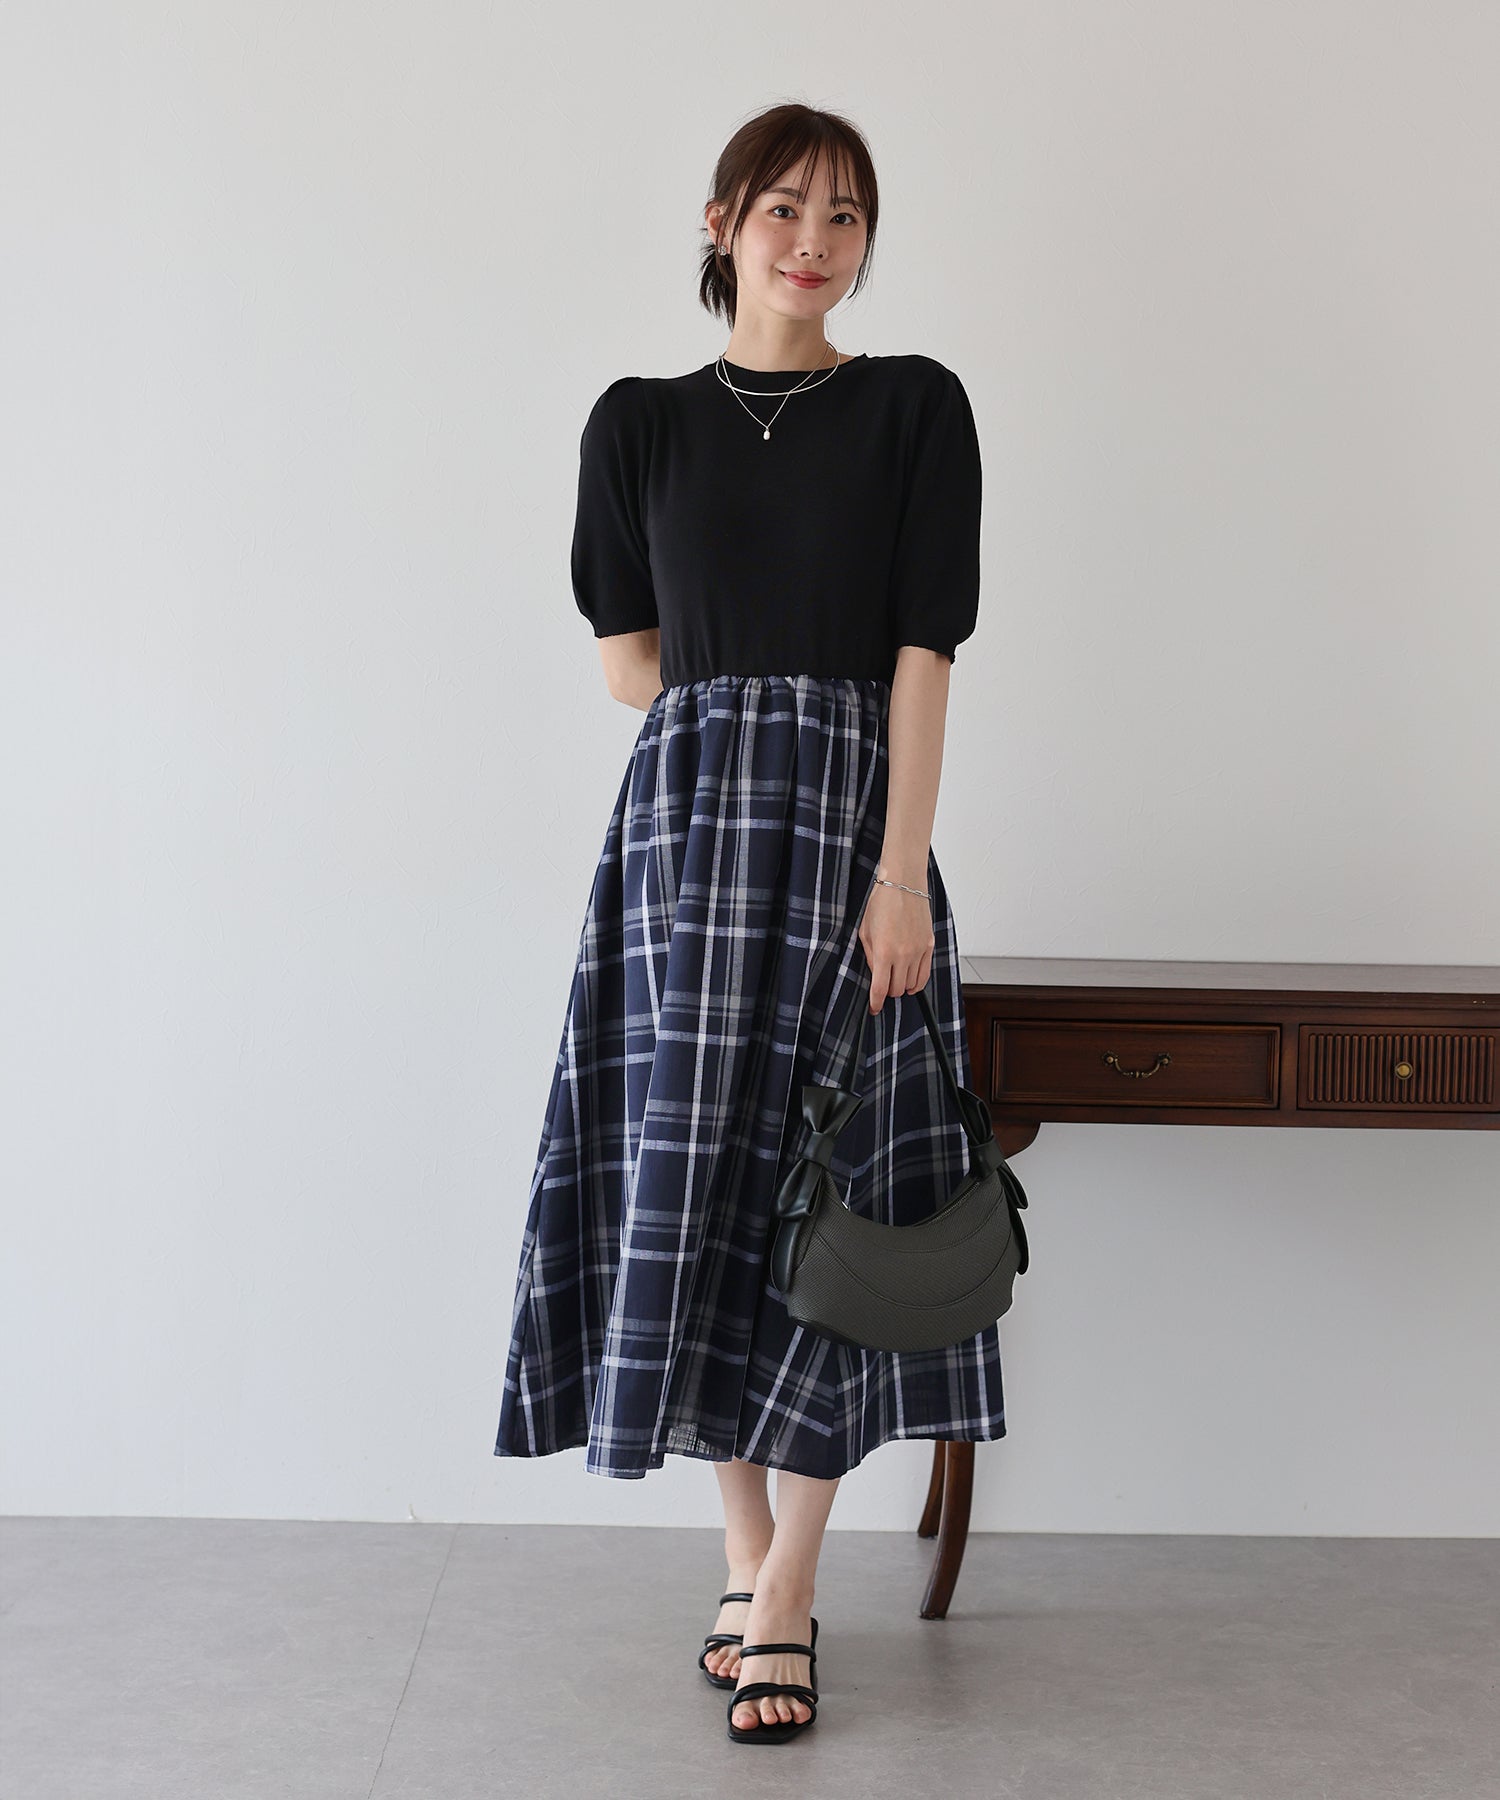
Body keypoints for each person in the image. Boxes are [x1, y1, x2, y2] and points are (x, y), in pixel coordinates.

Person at [492, 101, 1007, 1744]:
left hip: (856, 842)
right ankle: (743, 1555)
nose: (816, 240)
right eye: (786, 207)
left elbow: (923, 654)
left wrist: (899, 871)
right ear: (722, 222)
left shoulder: (913, 408)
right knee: (701, 1185)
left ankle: (790, 1583)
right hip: (686, 849)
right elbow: (628, 665)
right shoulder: (639, 424)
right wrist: (740, 703)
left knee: (844, 1192)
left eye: (846, 215)